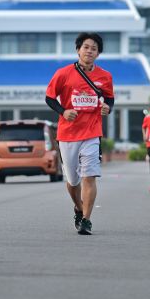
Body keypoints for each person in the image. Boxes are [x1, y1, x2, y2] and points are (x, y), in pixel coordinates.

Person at [45, 32, 114, 235]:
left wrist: (108, 108)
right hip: (67, 134)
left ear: (98, 53)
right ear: (78, 50)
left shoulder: (105, 76)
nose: (89, 51)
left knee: (89, 176)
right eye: (86, 47)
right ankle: (78, 206)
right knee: (72, 181)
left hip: (92, 132)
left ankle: (86, 220)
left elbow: (109, 98)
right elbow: (49, 98)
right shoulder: (63, 73)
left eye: (94, 48)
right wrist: (63, 111)